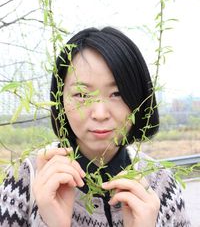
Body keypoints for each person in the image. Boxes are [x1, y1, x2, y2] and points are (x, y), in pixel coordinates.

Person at [0, 27, 190, 227]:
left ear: (139, 100)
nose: (100, 113)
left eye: (116, 93)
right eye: (81, 95)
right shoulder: (25, 179)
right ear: (59, 101)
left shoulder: (161, 184)